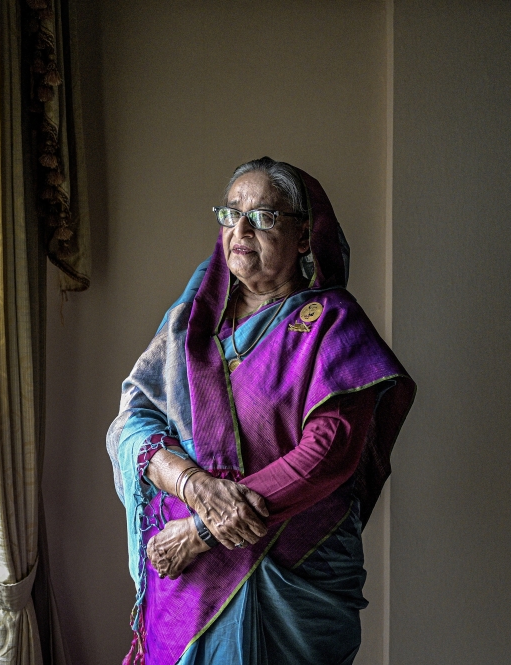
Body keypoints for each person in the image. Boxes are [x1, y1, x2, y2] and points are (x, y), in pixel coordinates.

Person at [106, 157, 415, 665]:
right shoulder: (189, 324)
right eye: (230, 214)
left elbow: (330, 452)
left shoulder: (333, 325)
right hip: (186, 584)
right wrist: (194, 487)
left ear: (304, 236)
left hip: (294, 572)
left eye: (264, 217)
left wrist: (203, 532)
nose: (241, 229)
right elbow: (133, 421)